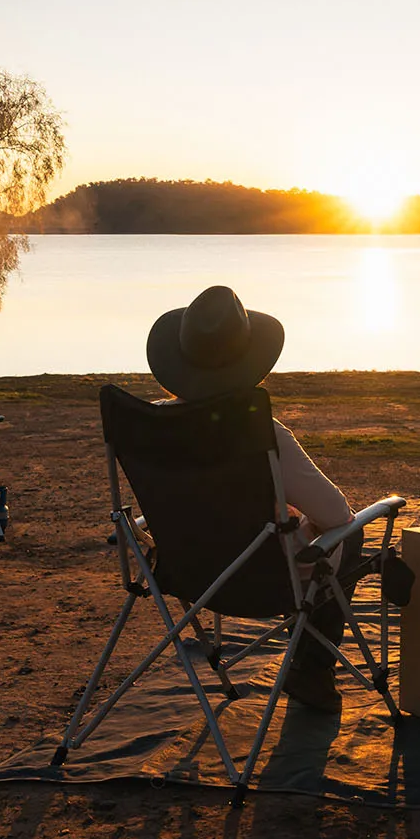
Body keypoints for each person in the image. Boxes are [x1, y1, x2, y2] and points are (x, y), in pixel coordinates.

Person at [145, 284, 355, 710]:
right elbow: (336, 514)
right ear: (248, 363)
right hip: (266, 579)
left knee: (311, 537)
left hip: (185, 575)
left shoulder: (152, 426)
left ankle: (307, 668)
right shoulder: (264, 434)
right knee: (347, 537)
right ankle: (311, 671)